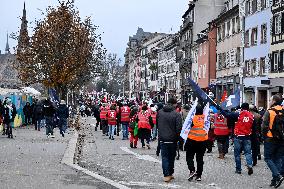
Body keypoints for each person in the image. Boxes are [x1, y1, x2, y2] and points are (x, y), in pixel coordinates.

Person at [221, 103, 254, 175]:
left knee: (237, 154)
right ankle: (249, 165)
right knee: (248, 153)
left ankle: (238, 169)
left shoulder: (238, 114)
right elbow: (253, 127)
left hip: (238, 136)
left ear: (241, 108)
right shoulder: (251, 115)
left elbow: (227, 115)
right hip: (247, 137)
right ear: (248, 108)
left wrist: (220, 109)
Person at [157, 98, 182, 183]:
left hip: (162, 139)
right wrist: (179, 138)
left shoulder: (160, 112)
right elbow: (178, 128)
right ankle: (170, 173)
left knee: (164, 157)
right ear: (174, 104)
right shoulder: (177, 114)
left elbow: (157, 125)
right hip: (172, 139)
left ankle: (167, 175)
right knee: (171, 157)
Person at [262, 95, 284, 188]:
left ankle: (277, 176)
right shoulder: (283, 110)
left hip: (270, 138)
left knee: (268, 158)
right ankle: (274, 181)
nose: (269, 101)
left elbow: (264, 126)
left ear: (274, 101)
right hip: (282, 139)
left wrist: (264, 137)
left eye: (270, 100)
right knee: (277, 158)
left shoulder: (270, 111)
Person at [186, 103, 208, 182]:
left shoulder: (192, 118)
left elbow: (187, 127)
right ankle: (199, 175)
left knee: (189, 157)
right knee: (200, 158)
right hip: (202, 141)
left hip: (192, 140)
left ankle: (192, 170)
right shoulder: (205, 119)